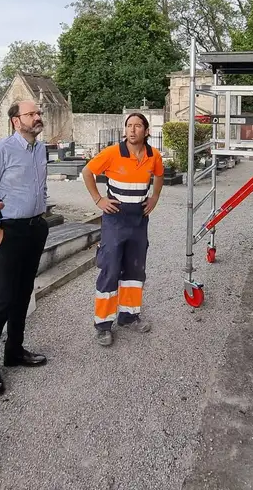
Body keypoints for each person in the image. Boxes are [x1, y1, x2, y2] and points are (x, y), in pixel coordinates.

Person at [0, 98, 50, 396]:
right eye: (31, 113)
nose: (37, 117)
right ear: (16, 121)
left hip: (35, 228)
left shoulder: (41, 149)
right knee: (3, 298)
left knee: (24, 292)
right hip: (10, 231)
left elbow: (40, 186)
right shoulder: (1, 150)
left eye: (39, 113)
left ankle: (15, 351)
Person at [81, 112, 164, 346]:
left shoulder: (152, 155)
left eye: (138, 126)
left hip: (138, 219)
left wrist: (155, 196)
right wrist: (99, 200)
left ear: (146, 131)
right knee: (110, 268)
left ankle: (129, 316)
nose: (132, 130)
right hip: (115, 217)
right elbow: (88, 172)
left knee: (135, 270)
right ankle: (103, 324)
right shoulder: (112, 153)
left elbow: (159, 174)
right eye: (129, 126)